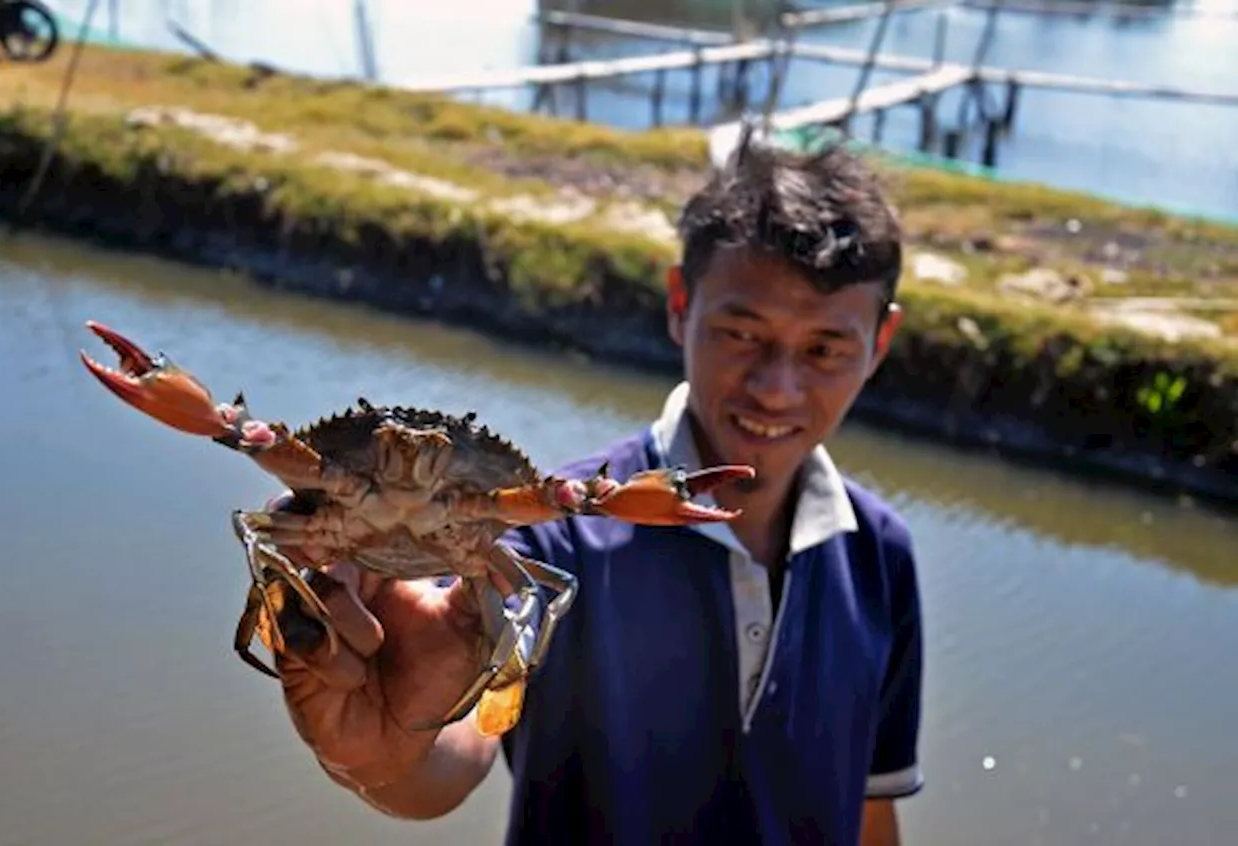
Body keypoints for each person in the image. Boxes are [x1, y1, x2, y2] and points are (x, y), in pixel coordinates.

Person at [268, 124, 924, 846]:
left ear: (880, 343)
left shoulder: (879, 557)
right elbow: (453, 761)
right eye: (742, 334)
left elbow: (871, 810)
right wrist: (378, 753)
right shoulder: (548, 535)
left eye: (825, 348)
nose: (776, 388)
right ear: (681, 303)